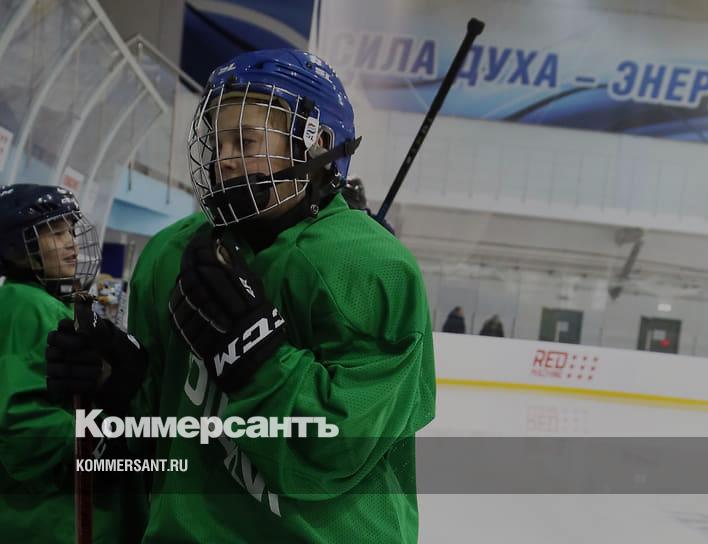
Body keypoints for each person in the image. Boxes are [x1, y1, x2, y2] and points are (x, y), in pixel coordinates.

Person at [47, 48, 436, 542]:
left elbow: (338, 451)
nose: (225, 159)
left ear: (318, 145)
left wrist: (256, 360)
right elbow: (157, 448)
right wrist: (118, 394)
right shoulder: (171, 255)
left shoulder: (368, 268)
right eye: (217, 141)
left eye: (246, 141)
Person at [0, 184, 147, 544]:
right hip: (48, 526)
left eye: (70, 230)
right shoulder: (16, 304)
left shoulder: (51, 303)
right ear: (15, 248)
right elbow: (25, 430)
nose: (71, 243)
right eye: (54, 233)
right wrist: (106, 443)